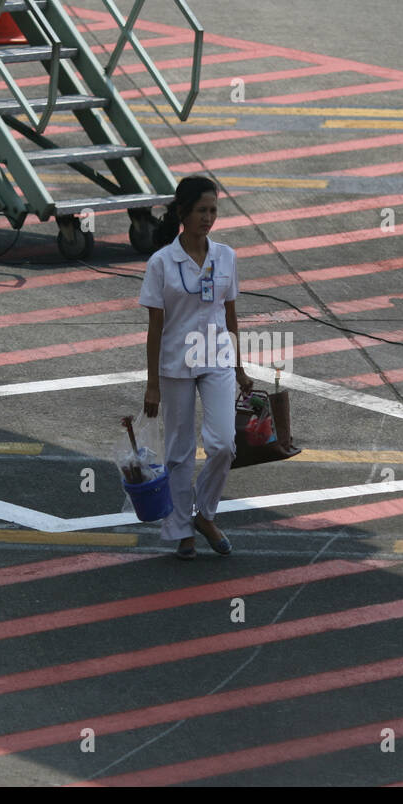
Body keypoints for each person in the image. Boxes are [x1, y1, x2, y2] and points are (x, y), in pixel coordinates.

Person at [139, 176, 252, 559]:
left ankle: (204, 514)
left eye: (213, 211)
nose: (208, 218)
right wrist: (151, 384)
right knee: (179, 451)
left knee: (223, 444)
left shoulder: (227, 257)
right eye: (202, 211)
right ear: (182, 213)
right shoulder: (161, 263)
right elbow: (155, 328)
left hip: (217, 356)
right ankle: (180, 531)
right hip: (175, 362)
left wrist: (239, 368)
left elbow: (231, 315)